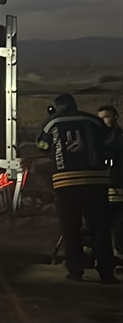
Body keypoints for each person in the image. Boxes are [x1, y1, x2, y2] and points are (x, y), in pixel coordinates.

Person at [36, 94, 117, 283]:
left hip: (66, 182)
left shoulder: (51, 123)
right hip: (96, 181)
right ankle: (106, 271)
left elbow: (42, 145)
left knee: (70, 227)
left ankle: (75, 270)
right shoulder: (93, 121)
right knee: (100, 227)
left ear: (57, 106)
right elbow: (110, 141)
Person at [98, 104, 123, 261]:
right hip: (101, 186)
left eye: (106, 117)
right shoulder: (95, 137)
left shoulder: (120, 138)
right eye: (99, 118)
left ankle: (119, 254)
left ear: (115, 118)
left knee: (119, 224)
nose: (102, 121)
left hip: (118, 186)